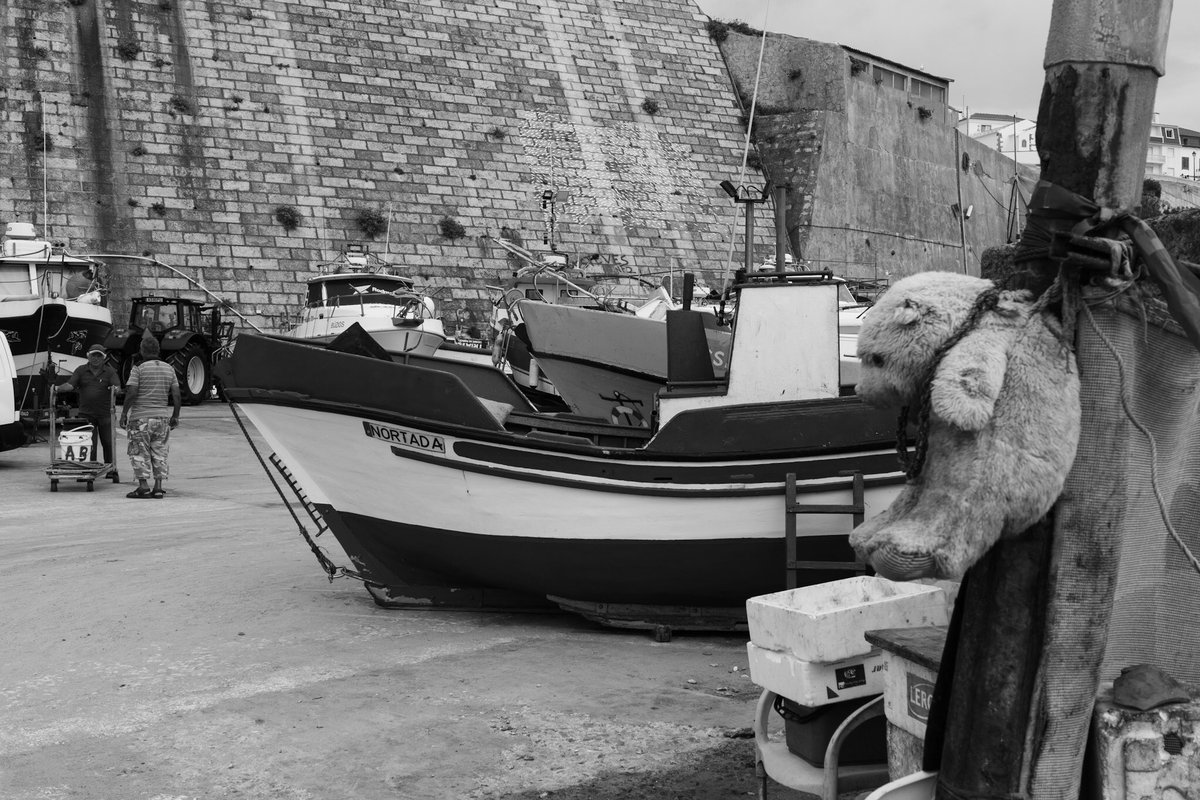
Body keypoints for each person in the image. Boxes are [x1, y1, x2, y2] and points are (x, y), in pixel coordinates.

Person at [120, 333, 181, 499]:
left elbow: (132, 392)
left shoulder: (138, 369)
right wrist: (175, 415)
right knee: (160, 452)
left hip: (140, 418)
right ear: (158, 350)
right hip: (162, 418)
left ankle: (143, 486)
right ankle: (159, 487)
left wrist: (124, 412)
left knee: (139, 451)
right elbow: (176, 394)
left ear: (142, 350)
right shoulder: (170, 369)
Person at [55, 343, 121, 481]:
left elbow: (117, 386)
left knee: (108, 443)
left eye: (99, 355)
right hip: (86, 414)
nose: (96, 358)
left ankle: (111, 468)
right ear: (88, 356)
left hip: (105, 414)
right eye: (93, 355)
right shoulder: (80, 370)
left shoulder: (110, 372)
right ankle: (88, 469)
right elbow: (70, 385)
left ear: (103, 358)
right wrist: (57, 388)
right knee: (89, 443)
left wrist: (117, 389)